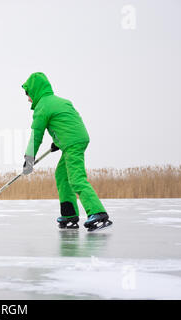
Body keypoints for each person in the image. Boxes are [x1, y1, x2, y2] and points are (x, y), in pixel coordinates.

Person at [21, 72, 112, 231]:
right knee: (62, 175)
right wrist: (58, 142)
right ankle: (69, 214)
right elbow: (67, 122)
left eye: (28, 94)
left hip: (72, 144)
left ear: (35, 91)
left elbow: (36, 136)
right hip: (76, 139)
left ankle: (98, 212)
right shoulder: (61, 101)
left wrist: (29, 159)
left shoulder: (42, 107)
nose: (28, 99)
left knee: (76, 178)